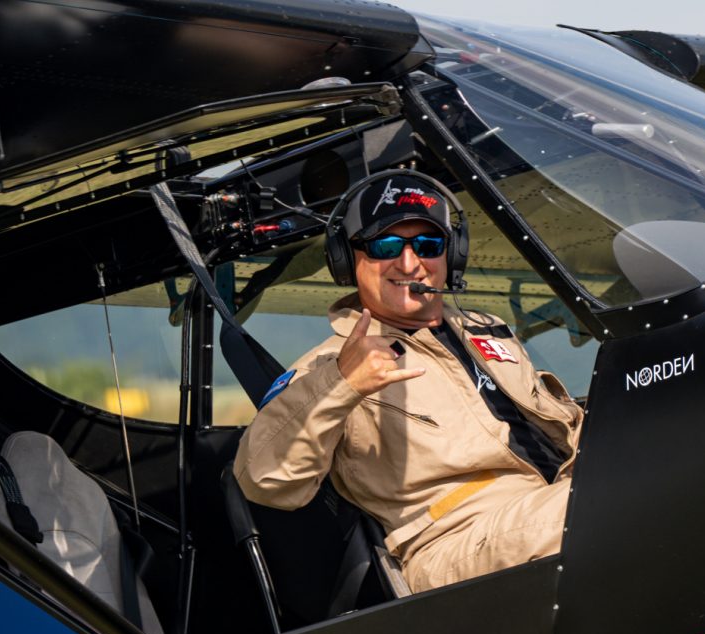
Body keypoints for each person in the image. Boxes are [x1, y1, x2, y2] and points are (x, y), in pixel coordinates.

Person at [233, 172, 583, 592]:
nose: (409, 263)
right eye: (385, 246)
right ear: (346, 259)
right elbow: (264, 480)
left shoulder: (484, 328)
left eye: (428, 245)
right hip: (457, 540)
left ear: (452, 255)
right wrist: (343, 383)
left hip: (554, 499)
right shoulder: (329, 365)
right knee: (609, 500)